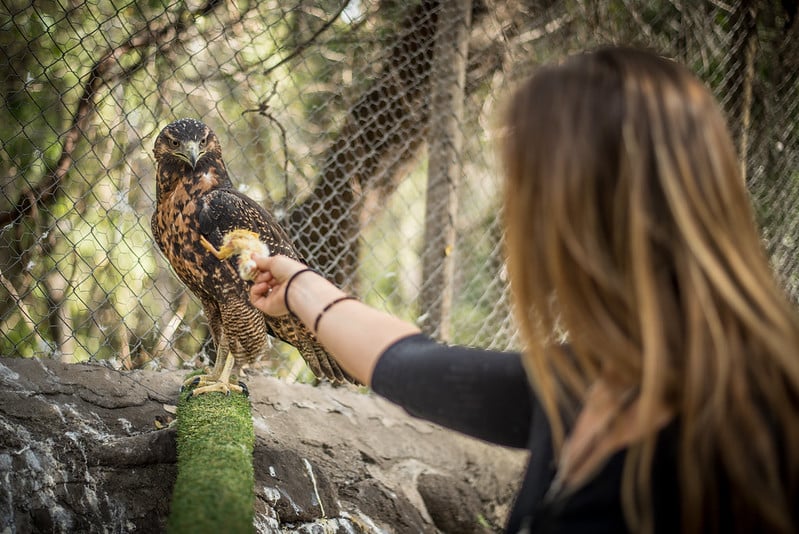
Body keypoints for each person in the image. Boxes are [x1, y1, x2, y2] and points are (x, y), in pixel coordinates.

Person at [248, 46, 799, 533]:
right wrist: (297, 283)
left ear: (582, 213)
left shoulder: (761, 423)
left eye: (523, 187)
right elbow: (410, 367)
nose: (509, 221)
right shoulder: (590, 379)